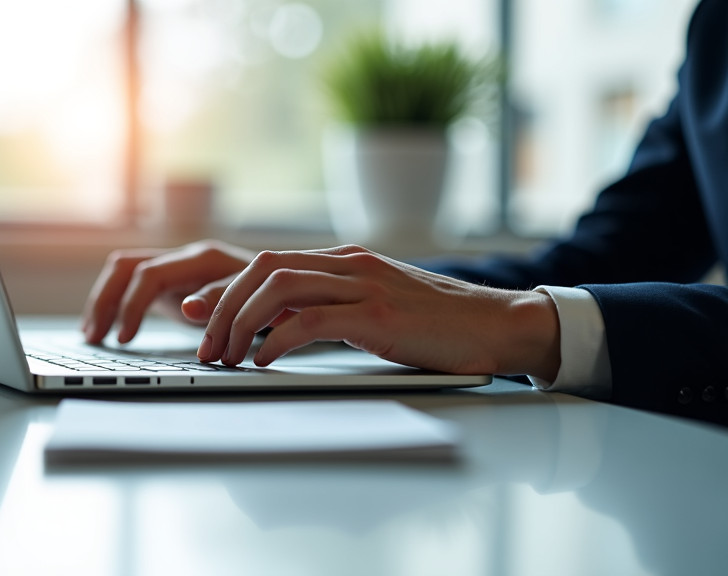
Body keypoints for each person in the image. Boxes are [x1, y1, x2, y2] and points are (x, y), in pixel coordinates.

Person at [82, 0, 728, 426]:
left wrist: (522, 326)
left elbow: (552, 305)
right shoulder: (715, 29)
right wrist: (332, 293)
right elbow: (602, 261)